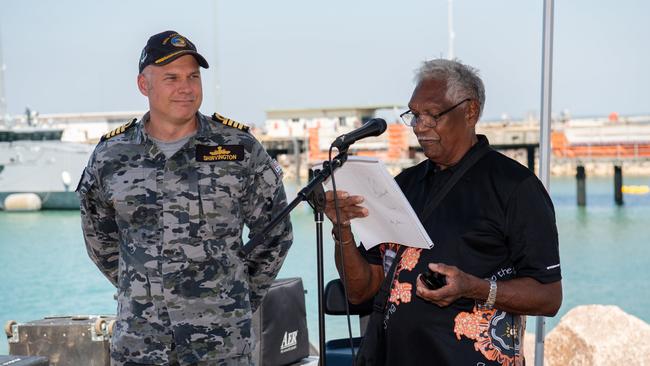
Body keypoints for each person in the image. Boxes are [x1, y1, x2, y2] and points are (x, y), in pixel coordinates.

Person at [325, 59, 562, 365]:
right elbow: (361, 291)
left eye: (433, 115)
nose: (420, 126)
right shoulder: (401, 186)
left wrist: (473, 288)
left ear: (470, 111)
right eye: (414, 115)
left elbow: (549, 296)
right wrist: (342, 230)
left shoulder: (516, 187)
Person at [77, 30, 293, 366]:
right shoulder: (110, 156)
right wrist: (143, 291)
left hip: (222, 345)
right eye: (172, 78)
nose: (186, 88)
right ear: (143, 85)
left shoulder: (239, 149)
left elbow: (276, 234)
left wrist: (232, 298)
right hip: (140, 345)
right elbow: (99, 240)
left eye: (193, 76)